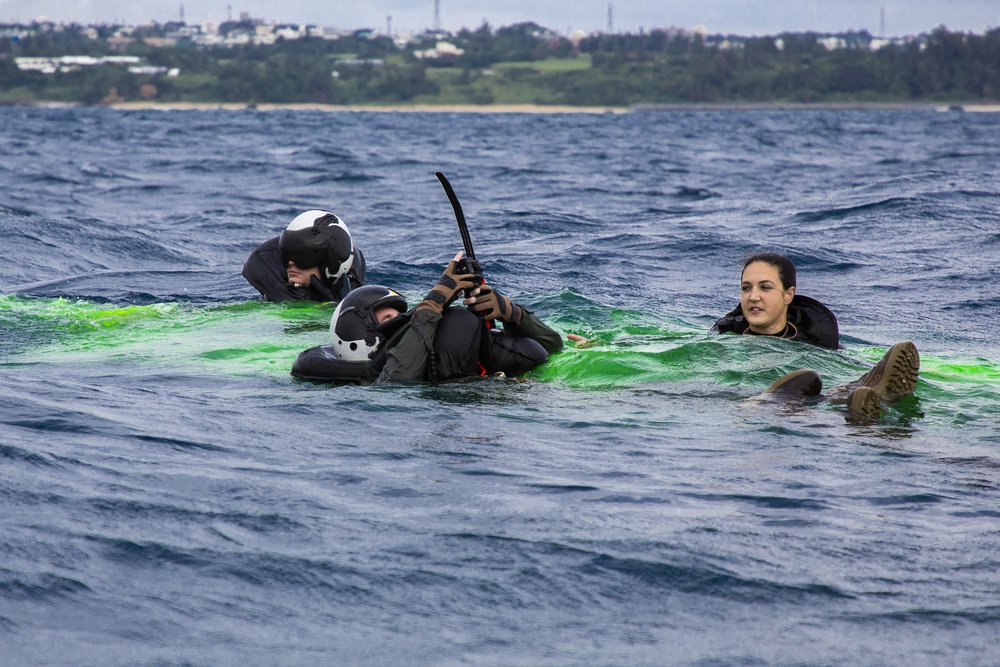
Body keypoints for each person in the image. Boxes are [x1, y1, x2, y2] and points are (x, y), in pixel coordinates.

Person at [292, 251, 564, 385]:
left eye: (402, 313)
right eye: (389, 317)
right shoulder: (396, 375)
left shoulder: (441, 348)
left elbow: (554, 346)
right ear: (361, 340)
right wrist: (434, 301)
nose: (403, 320)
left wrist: (508, 311)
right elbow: (396, 382)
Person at [714, 252, 919, 419]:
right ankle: (862, 411)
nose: (753, 296)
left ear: (789, 294)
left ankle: (867, 396)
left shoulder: (817, 342)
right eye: (746, 288)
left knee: (818, 391)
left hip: (795, 415)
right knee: (805, 384)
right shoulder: (721, 340)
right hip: (763, 409)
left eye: (765, 287)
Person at [242, 210, 366, 303]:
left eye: (303, 257)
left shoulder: (356, 299)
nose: (291, 263)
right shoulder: (276, 299)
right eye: (287, 254)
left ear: (332, 262)